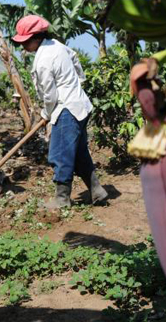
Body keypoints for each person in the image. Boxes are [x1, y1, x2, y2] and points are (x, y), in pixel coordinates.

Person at [12, 15, 108, 207]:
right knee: (79, 153)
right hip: (79, 105)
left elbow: (50, 95)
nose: (23, 46)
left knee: (60, 153)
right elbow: (74, 57)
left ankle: (62, 199)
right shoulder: (56, 45)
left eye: (25, 42)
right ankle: (97, 191)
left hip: (66, 109)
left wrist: (46, 114)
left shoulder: (43, 61)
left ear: (36, 37)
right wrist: (78, 82)